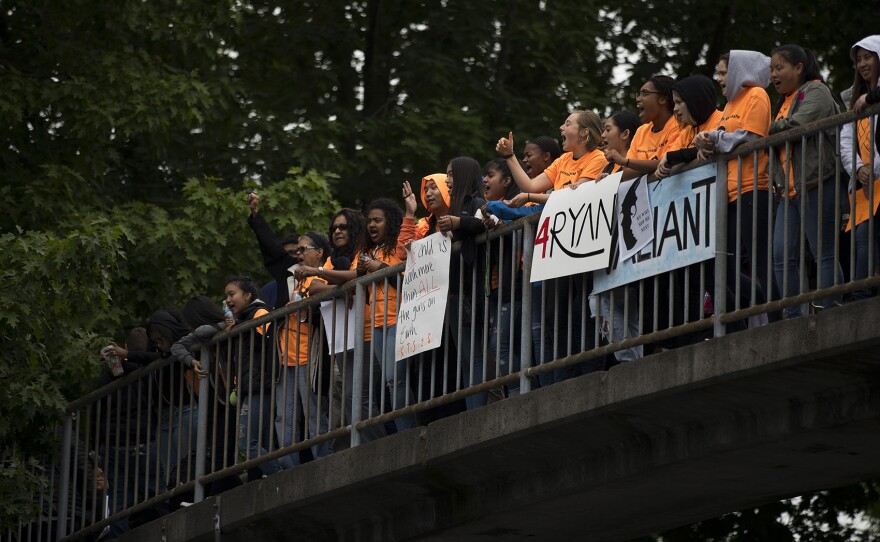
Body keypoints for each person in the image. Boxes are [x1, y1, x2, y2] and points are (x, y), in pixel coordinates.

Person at [695, 50, 774, 320]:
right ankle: (761, 304)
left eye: (723, 72)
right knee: (722, 263)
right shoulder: (730, 104)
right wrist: (708, 142)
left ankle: (775, 314)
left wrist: (717, 141)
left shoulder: (757, 96)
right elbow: (725, 136)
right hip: (728, 192)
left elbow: (750, 137)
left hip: (753, 186)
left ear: (740, 70)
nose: (719, 79)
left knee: (759, 259)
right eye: (718, 73)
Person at [768, 45, 844, 316]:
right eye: (771, 69)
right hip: (787, 192)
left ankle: (830, 309)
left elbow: (795, 126)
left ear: (799, 68)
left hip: (816, 183)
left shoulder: (816, 90)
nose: (774, 74)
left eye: (780, 67)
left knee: (821, 251)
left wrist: (769, 129)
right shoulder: (783, 101)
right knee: (781, 257)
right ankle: (793, 316)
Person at [97, 327, 168, 538]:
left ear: (125, 347)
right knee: (158, 493)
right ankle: (170, 532)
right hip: (145, 440)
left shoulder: (110, 376)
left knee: (119, 503)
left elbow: (97, 412)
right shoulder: (151, 370)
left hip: (114, 444)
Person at [359, 197, 416, 430]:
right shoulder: (368, 251)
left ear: (390, 222)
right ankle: (404, 429)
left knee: (396, 379)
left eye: (377, 220)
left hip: (399, 320)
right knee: (390, 381)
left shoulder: (398, 248)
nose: (372, 225)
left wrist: (410, 211)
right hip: (376, 325)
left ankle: (408, 431)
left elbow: (406, 280)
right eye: (369, 221)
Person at [438, 157, 488, 408]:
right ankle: (472, 408)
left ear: (464, 176)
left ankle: (477, 411)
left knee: (474, 357)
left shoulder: (476, 202)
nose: (447, 180)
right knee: (466, 358)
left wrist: (460, 223)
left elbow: (484, 224)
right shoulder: (453, 207)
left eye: (451, 174)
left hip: (471, 291)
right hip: (455, 293)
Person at [223, 276, 282, 478]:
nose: (228, 300)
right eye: (226, 296)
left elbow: (272, 339)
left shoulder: (259, 313)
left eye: (232, 294)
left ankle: (282, 476)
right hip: (251, 387)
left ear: (247, 295)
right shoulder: (245, 318)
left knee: (246, 441)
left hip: (260, 386)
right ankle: (267, 478)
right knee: (260, 441)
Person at [495, 110, 608, 205]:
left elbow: (575, 195)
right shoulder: (564, 159)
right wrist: (509, 155)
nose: (561, 127)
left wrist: (530, 197)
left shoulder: (598, 158)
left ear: (584, 132)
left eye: (567, 124)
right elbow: (530, 186)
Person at [480, 158, 524, 396]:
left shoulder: (515, 205)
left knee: (502, 347)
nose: (484, 180)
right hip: (495, 291)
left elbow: (516, 233)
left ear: (507, 181)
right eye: (483, 176)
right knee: (501, 346)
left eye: (491, 175)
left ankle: (519, 394)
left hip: (512, 289)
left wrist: (500, 227)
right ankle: (515, 392)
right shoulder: (486, 210)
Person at [842, 35, 880, 300]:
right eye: (858, 60)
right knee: (863, 237)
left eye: (868, 57)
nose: (862, 64)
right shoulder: (854, 98)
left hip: (878, 176)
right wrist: (857, 169)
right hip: (866, 184)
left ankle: (864, 293)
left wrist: (874, 168)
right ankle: (862, 295)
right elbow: (846, 139)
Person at [147, 309, 200, 487]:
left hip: (185, 411)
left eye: (161, 340)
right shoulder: (158, 355)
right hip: (164, 418)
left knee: (186, 468)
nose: (159, 345)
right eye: (154, 342)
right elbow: (147, 357)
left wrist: (128, 354)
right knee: (169, 473)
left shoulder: (185, 344)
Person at [608, 75, 680, 176]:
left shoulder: (679, 125)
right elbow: (627, 171)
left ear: (662, 99)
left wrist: (626, 162)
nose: (638, 99)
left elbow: (667, 163)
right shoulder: (641, 131)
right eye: (639, 94)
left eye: (645, 94)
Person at [655, 75, 723, 178]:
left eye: (678, 102)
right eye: (674, 103)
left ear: (694, 100)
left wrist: (673, 157)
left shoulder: (721, 119)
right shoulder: (687, 131)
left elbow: (709, 149)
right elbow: (667, 159)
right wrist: (670, 159)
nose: (675, 109)